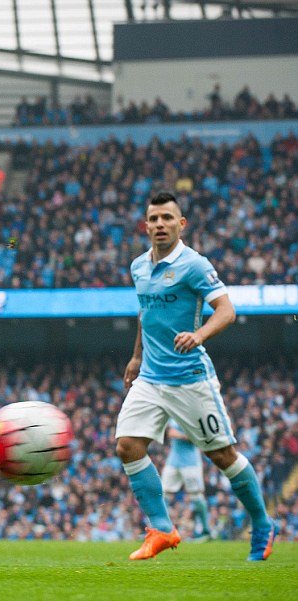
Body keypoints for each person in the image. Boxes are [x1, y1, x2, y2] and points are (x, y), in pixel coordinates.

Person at [117, 191, 275, 561]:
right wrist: (137, 356)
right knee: (127, 445)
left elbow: (227, 311)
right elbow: (145, 313)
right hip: (151, 377)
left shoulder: (194, 265)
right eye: (154, 219)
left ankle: (263, 523)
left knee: (222, 455)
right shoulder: (138, 266)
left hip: (190, 377)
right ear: (145, 226)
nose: (160, 224)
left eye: (167, 218)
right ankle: (162, 528)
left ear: (181, 224)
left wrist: (199, 335)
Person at [162, 421, 213, 542]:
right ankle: (159, 529)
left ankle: (206, 532)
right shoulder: (172, 416)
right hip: (173, 460)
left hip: (191, 462)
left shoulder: (193, 415)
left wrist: (179, 435)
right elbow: (167, 432)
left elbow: (199, 439)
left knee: (196, 496)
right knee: (163, 493)